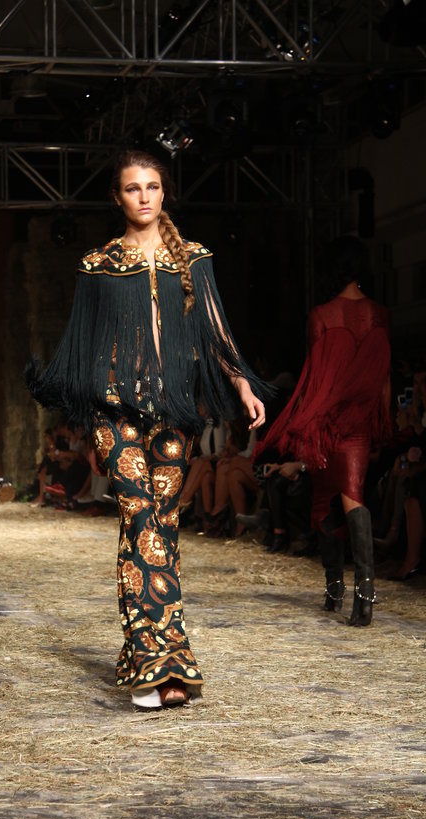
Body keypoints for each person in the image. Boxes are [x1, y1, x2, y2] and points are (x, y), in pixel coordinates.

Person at [26, 149, 267, 710]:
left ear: (165, 192)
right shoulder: (99, 265)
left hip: (173, 408)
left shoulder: (194, 259)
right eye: (133, 188)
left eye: (152, 186)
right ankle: (167, 667)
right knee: (140, 517)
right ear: (118, 197)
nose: (144, 196)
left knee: (162, 525)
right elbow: (83, 342)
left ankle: (144, 658)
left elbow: (215, 331)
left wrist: (242, 385)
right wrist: (86, 406)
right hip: (115, 410)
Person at [254, 236, 391, 626]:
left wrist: (305, 423)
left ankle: (339, 591)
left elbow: (317, 379)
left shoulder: (321, 316)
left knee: (328, 500)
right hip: (359, 421)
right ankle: (359, 595)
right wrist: (382, 421)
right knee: (349, 496)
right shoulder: (379, 314)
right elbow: (381, 375)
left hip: (328, 421)